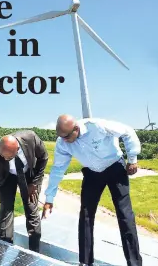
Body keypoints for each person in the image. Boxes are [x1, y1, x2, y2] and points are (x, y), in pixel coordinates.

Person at [42, 114, 142, 266]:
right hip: (92, 173)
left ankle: (134, 263)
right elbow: (57, 169)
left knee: (124, 215)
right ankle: (85, 262)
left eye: (67, 136)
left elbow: (127, 132)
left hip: (115, 167)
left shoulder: (97, 125)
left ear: (76, 129)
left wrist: (132, 159)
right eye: (61, 137)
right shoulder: (62, 143)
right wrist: (49, 198)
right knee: (86, 216)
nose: (64, 140)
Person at [0, 130, 48, 253]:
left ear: (17, 149)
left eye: (9, 157)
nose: (5, 158)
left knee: (31, 208)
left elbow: (43, 157)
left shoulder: (30, 138)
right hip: (6, 176)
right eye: (3, 156)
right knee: (6, 209)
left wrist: (35, 182)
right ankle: (4, 246)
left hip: (28, 175)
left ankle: (34, 251)